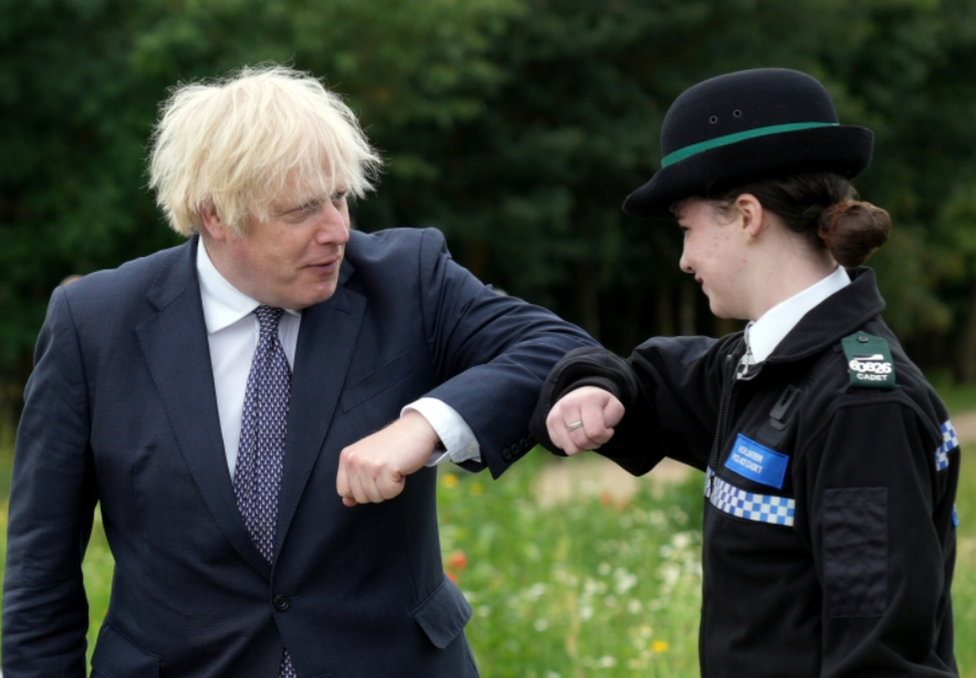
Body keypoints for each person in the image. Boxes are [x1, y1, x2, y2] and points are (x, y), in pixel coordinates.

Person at [2, 64, 594, 677]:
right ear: (216, 216)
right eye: (303, 210)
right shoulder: (93, 323)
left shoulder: (408, 279)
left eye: (340, 196)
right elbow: (41, 571)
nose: (338, 230)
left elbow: (556, 349)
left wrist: (424, 425)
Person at [530, 68, 960, 677]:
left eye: (687, 230)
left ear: (748, 216)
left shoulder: (861, 408)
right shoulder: (764, 365)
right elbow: (649, 380)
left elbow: (879, 658)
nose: (683, 260)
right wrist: (595, 386)